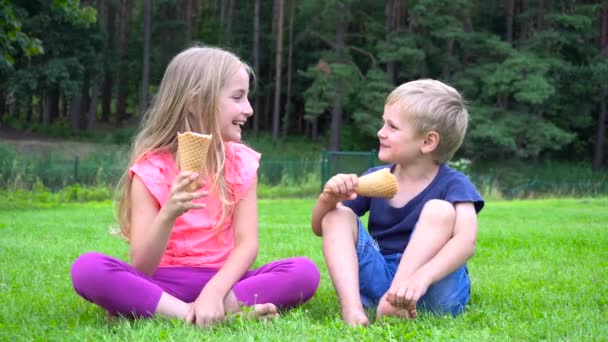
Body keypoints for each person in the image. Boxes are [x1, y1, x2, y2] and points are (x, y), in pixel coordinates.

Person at [71, 46, 320, 327]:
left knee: (304, 272)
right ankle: (202, 317)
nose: (248, 109)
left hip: (225, 284)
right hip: (163, 283)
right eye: (237, 97)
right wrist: (168, 214)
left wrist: (214, 292)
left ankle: (182, 311)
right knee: (87, 269)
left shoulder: (241, 163)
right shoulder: (151, 170)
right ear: (195, 102)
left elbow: (247, 244)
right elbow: (141, 265)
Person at [311, 79, 484, 327]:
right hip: (379, 279)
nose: (381, 132)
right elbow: (321, 227)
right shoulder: (376, 178)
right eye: (384, 123)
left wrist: (418, 280)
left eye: (392, 126)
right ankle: (352, 310)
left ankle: (396, 300)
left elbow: (466, 243)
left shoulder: (454, 184)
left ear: (427, 142)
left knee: (439, 210)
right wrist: (328, 199)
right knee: (337, 215)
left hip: (431, 288)